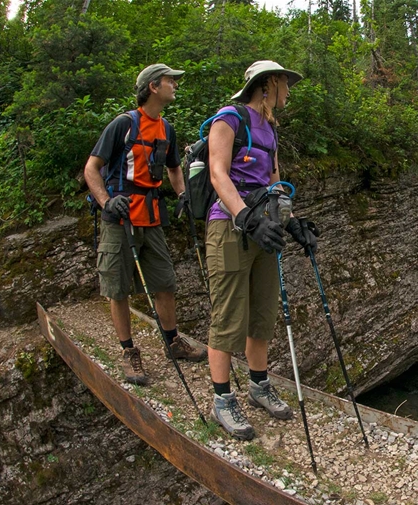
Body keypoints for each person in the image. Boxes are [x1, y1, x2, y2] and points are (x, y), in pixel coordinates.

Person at [205, 61, 318, 440]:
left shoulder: (269, 129)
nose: (290, 90)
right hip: (229, 227)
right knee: (228, 316)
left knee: (263, 312)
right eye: (286, 83)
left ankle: (258, 385)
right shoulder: (229, 118)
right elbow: (218, 173)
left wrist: (293, 222)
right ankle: (222, 399)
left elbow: (275, 185)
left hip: (264, 231)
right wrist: (245, 218)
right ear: (269, 84)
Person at [84, 63, 206, 386]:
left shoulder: (167, 128)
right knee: (118, 285)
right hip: (119, 217)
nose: (175, 85)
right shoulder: (123, 125)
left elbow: (174, 168)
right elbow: (91, 169)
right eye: (170, 80)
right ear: (153, 86)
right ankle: (128, 352)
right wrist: (107, 202)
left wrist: (182, 195)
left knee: (165, 281)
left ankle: (172, 341)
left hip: (151, 216)